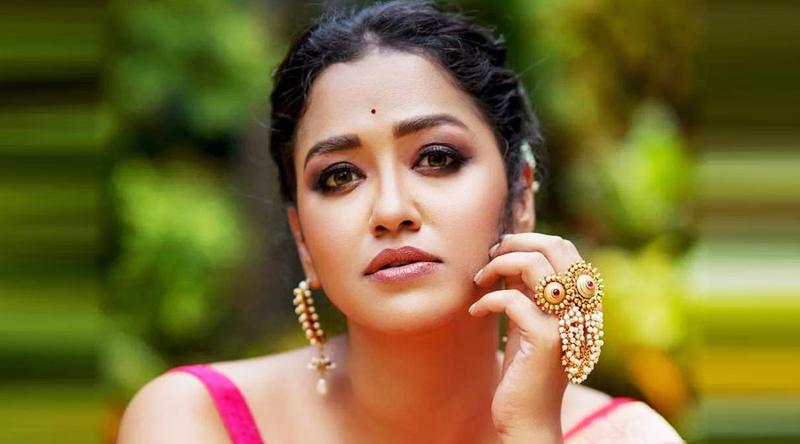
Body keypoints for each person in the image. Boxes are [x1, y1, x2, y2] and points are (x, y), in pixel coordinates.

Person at [117, 1, 685, 443]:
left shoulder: (627, 436)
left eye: (437, 158)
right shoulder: (196, 421)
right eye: (340, 176)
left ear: (519, 196)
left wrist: (531, 431)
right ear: (302, 237)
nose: (390, 210)